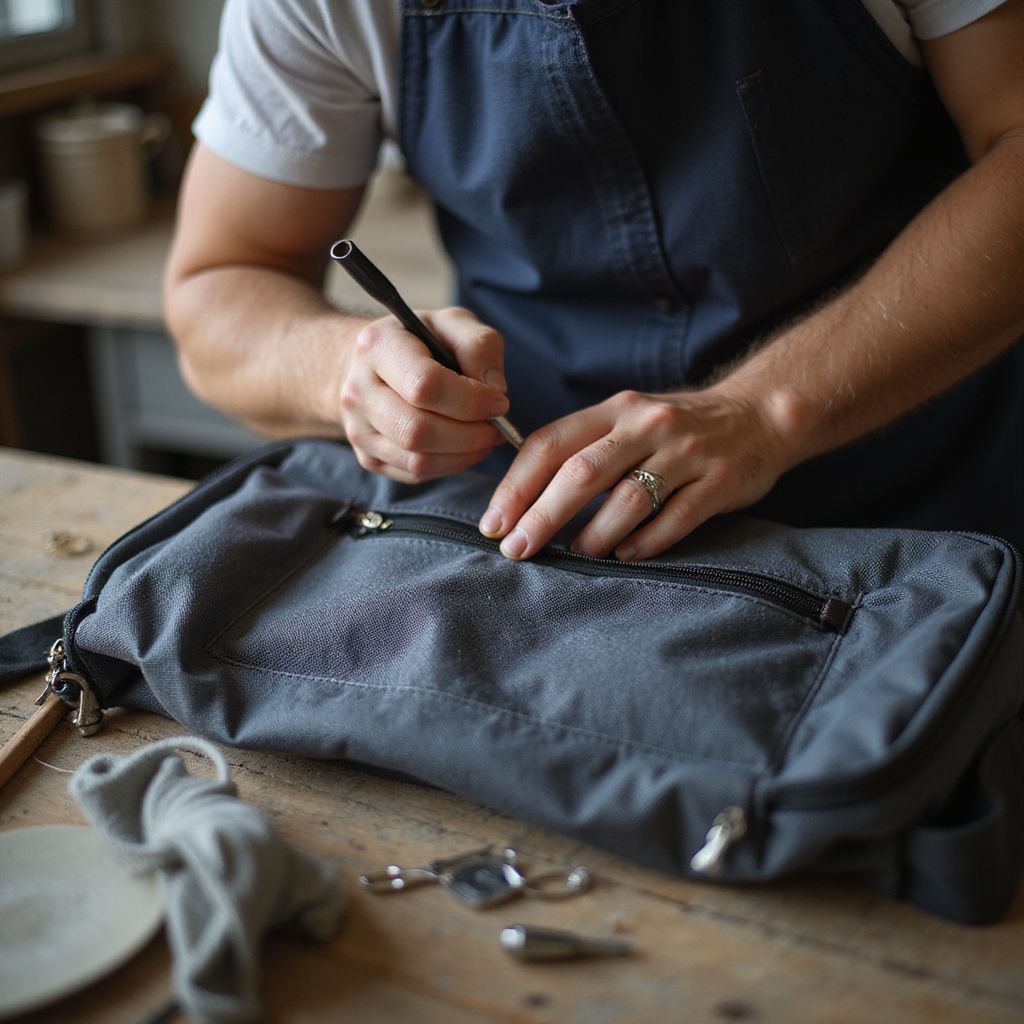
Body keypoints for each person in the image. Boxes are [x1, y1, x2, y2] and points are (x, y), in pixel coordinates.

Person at [165, 0, 1024, 562]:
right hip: (551, 541)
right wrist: (345, 367)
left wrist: (764, 410)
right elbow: (218, 287)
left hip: (927, 521)